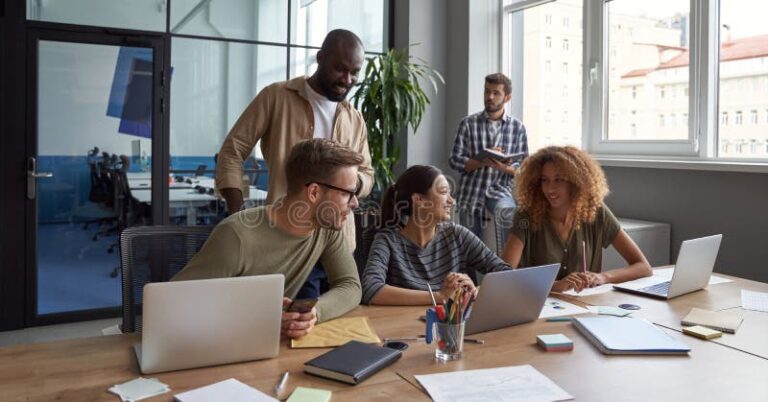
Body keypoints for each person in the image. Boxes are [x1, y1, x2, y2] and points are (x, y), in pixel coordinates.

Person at [215, 29, 375, 299]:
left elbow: (368, 175)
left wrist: (346, 183)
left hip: (338, 241)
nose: (347, 80)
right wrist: (236, 212)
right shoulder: (275, 97)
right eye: (340, 69)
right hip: (289, 239)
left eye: (355, 72)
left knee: (337, 320)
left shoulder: (355, 118)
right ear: (320, 57)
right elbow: (232, 150)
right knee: (295, 328)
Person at [173, 139, 364, 339]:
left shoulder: (327, 228)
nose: (355, 203)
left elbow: (350, 285)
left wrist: (315, 313)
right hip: (218, 344)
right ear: (314, 192)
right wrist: (259, 319)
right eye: (348, 193)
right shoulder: (236, 236)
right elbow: (177, 304)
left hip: (264, 346)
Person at [500, 146, 652, 292]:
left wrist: (603, 277)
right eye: (544, 180)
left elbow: (643, 266)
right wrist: (555, 286)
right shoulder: (526, 215)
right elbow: (504, 278)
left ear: (576, 182)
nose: (550, 188)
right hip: (538, 306)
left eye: (559, 180)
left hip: (585, 305)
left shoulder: (596, 211)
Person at [361, 165, 512, 305]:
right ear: (419, 200)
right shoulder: (387, 240)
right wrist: (439, 296)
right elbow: (370, 289)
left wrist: (477, 291)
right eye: (444, 192)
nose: (451, 201)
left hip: (451, 327)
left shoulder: (457, 235)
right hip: (404, 328)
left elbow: (506, 273)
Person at [449, 73, 528, 240]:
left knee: (510, 217)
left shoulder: (517, 127)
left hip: (500, 191)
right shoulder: (468, 123)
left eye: (496, 93)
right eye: (486, 91)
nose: (489, 97)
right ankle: (471, 267)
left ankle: (506, 266)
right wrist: (481, 160)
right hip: (471, 192)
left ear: (507, 97)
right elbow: (455, 160)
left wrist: (505, 168)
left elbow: (523, 166)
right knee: (468, 246)